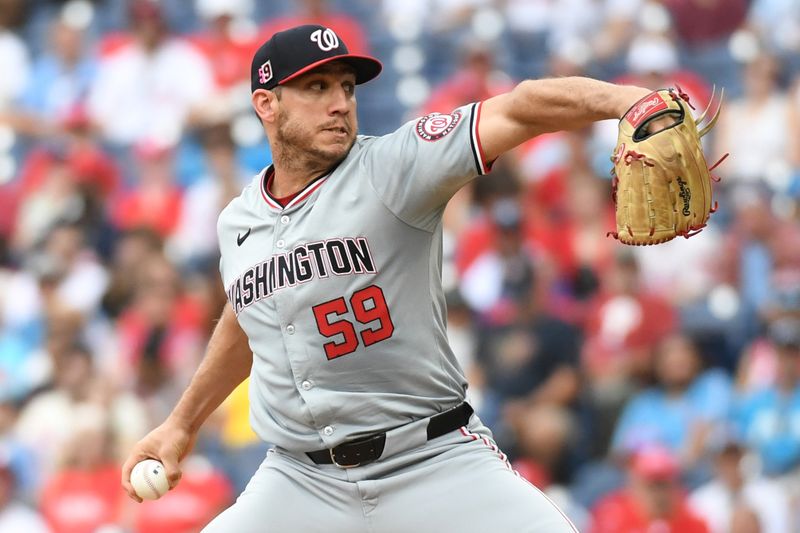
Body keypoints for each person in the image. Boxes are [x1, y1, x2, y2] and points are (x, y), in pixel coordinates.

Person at [121, 24, 656, 532]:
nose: (340, 102)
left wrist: (628, 101)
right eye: (316, 87)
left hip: (431, 459)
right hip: (302, 480)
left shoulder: (395, 168)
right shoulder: (238, 222)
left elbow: (519, 109)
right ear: (267, 104)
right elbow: (254, 315)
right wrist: (182, 424)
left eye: (347, 87)